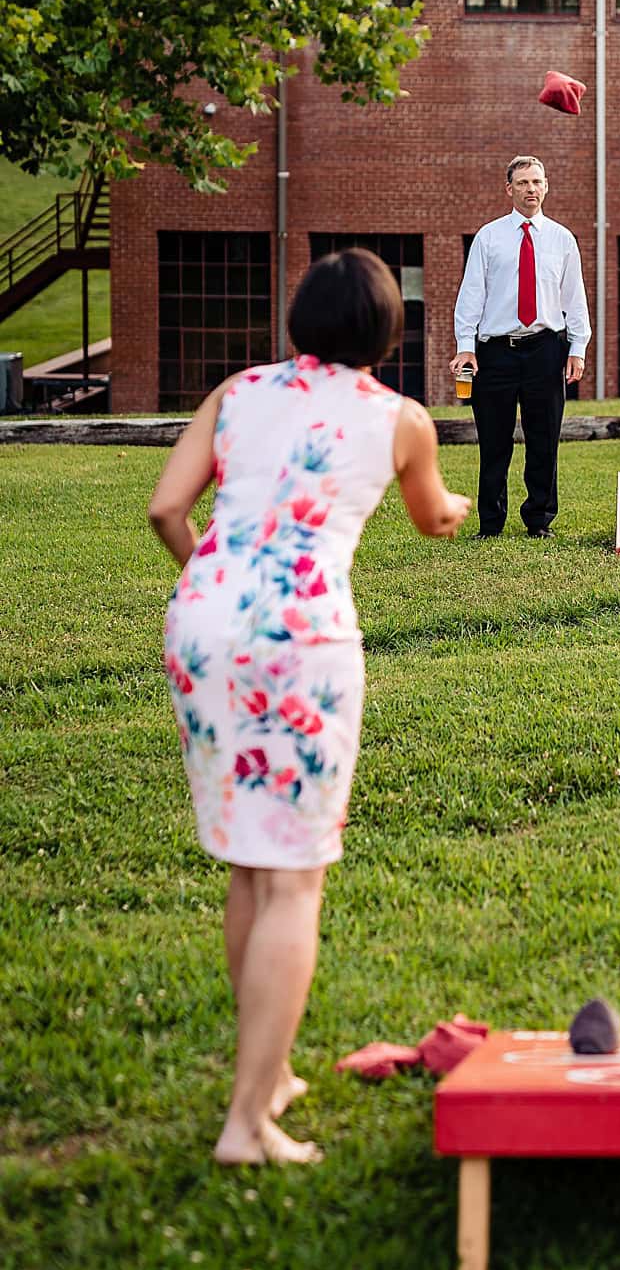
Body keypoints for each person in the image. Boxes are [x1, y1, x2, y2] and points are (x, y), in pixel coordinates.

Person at [151, 250, 471, 1164]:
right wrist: (449, 501)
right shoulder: (401, 419)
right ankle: (247, 1123)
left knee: (252, 863)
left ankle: (271, 1070)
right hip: (304, 645)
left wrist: (220, 586)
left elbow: (167, 509)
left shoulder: (238, 390)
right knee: (294, 876)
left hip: (202, 626)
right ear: (388, 332)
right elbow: (431, 516)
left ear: (298, 321)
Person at [449, 154, 591, 538]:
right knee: (494, 441)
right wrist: (466, 345)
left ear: (546, 187)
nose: (532, 189)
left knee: (543, 439)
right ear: (509, 189)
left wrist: (577, 348)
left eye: (538, 182)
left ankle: (539, 519)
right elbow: (471, 295)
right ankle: (490, 522)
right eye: (524, 183)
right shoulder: (489, 237)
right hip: (494, 352)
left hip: (546, 349)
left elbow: (574, 298)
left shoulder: (562, 240)